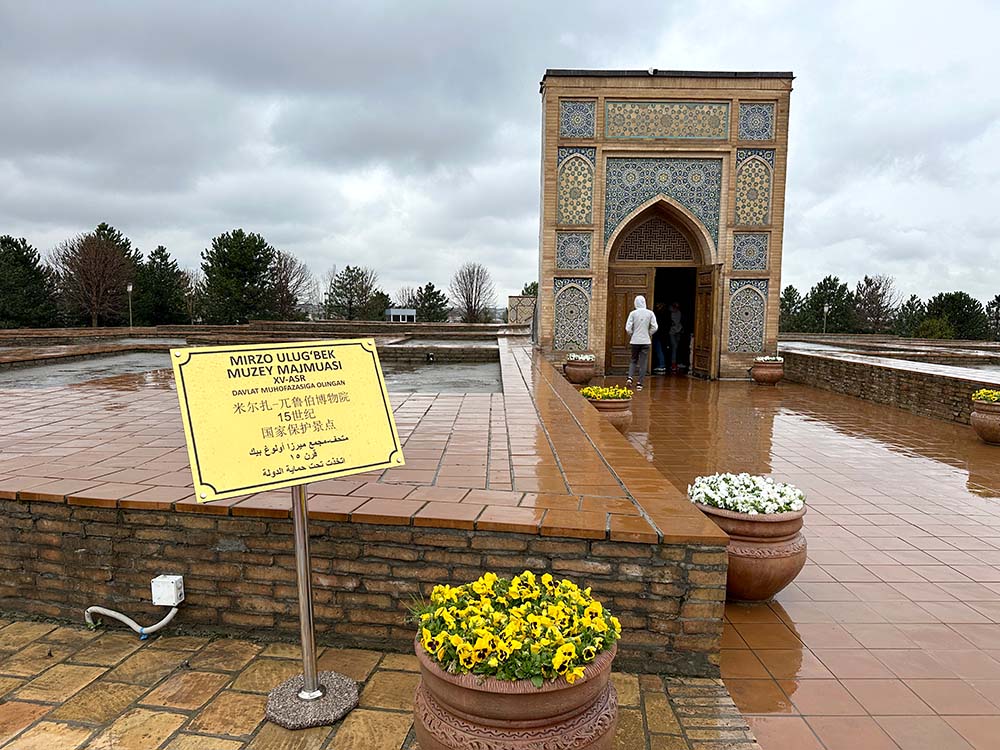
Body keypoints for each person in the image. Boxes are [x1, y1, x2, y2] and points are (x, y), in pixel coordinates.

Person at [625, 295, 657, 391]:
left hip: (635, 341)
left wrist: (632, 334)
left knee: (633, 359)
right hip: (646, 341)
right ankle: (640, 383)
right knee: (643, 362)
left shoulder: (633, 313)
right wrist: (648, 334)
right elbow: (655, 327)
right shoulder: (650, 313)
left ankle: (630, 377)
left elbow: (628, 328)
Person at [651, 301, 667, 374]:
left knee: (658, 349)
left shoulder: (658, 315)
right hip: (660, 334)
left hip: (657, 334)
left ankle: (661, 365)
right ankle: (660, 364)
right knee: (659, 349)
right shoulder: (663, 314)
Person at [668, 302, 683, 373]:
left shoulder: (679, 313)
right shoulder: (669, 313)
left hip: (678, 331)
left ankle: (675, 363)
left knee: (676, 347)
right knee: (674, 347)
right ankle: (673, 364)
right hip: (672, 332)